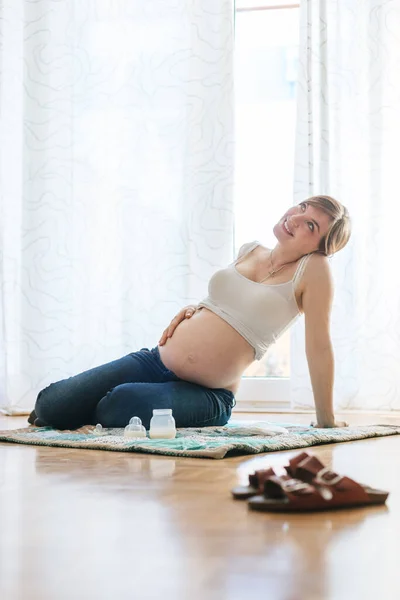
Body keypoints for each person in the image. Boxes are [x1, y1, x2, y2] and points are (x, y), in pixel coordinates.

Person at [30, 195, 351, 431]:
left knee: (117, 404)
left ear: (319, 247)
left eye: (311, 225)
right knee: (51, 405)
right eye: (303, 207)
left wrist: (327, 420)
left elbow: (319, 346)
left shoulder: (314, 269)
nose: (296, 217)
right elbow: (230, 303)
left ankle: (98, 412)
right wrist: (195, 310)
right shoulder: (251, 250)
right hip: (156, 359)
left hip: (208, 394)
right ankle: (76, 410)